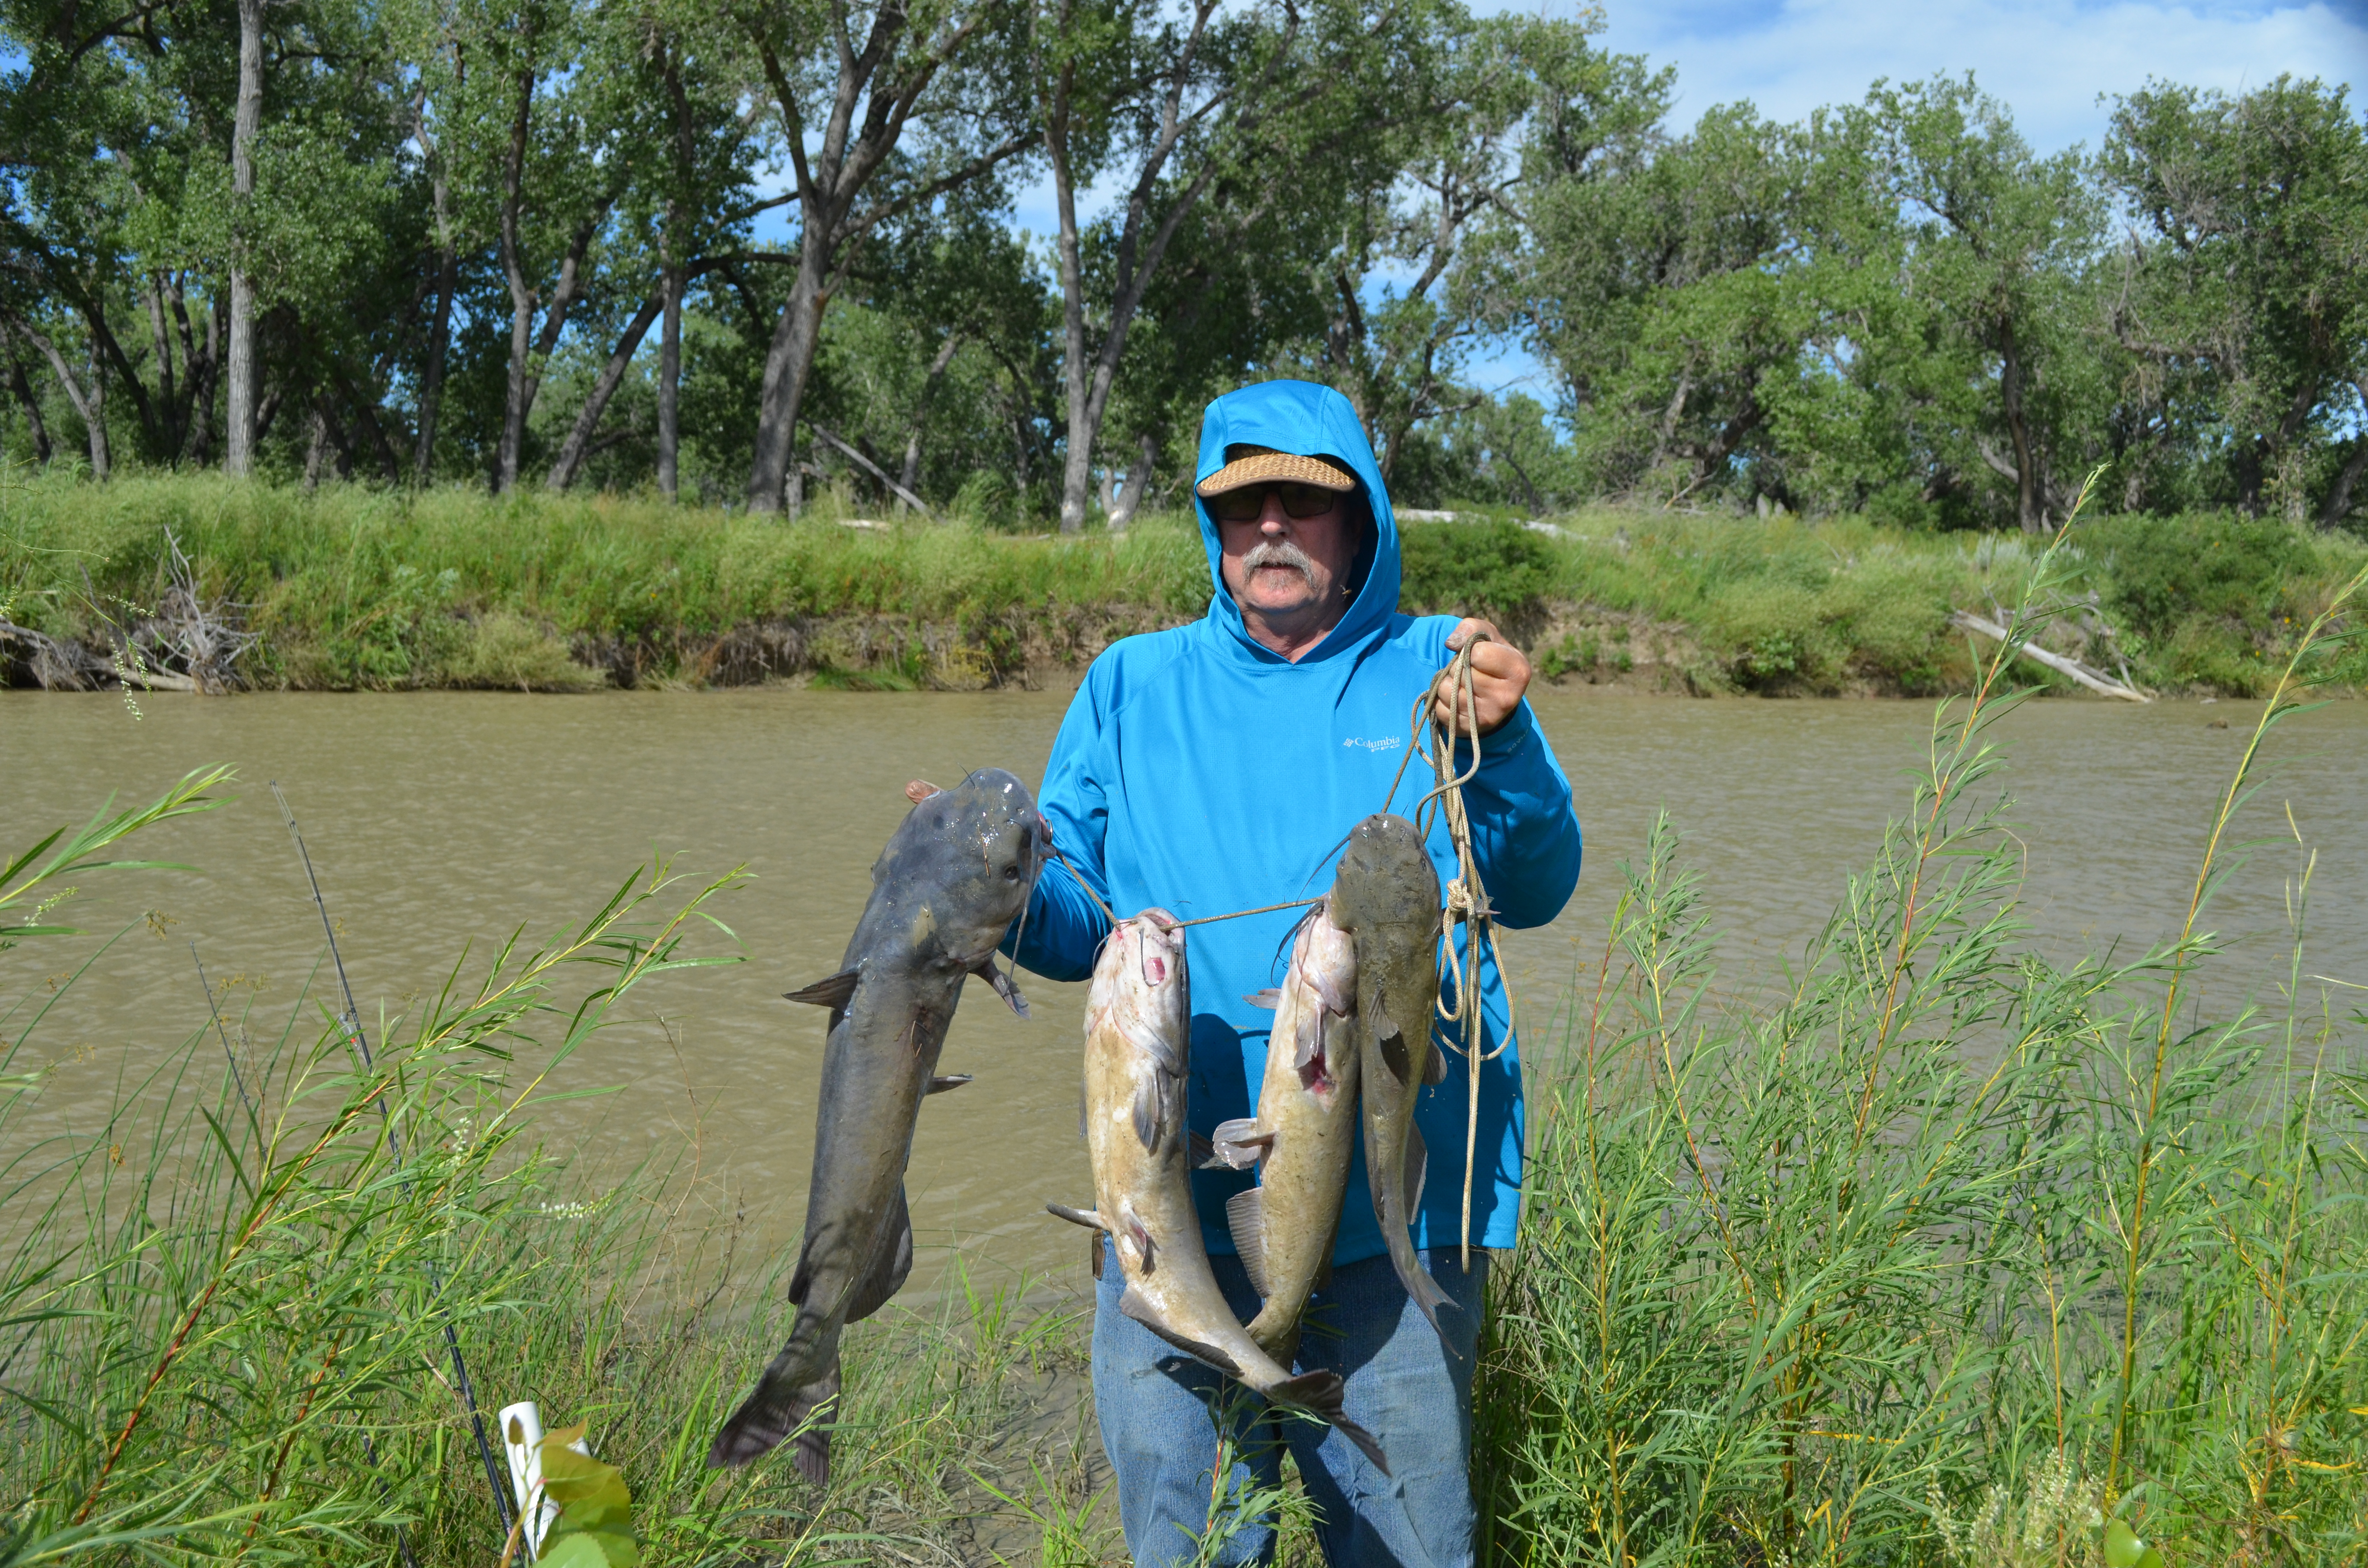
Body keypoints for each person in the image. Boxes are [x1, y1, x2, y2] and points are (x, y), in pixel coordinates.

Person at [1005, 379, 1580, 1565]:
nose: (1270, 526)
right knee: (1192, 1549)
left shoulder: (1438, 666)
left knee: (1407, 1546)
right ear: (1211, 525)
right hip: (1170, 1217)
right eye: (1241, 505)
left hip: (1391, 1231)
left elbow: (1533, 888)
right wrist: (995, 887)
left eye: (1304, 503)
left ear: (1360, 520)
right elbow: (1071, 929)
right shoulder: (1129, 683)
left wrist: (1509, 742)